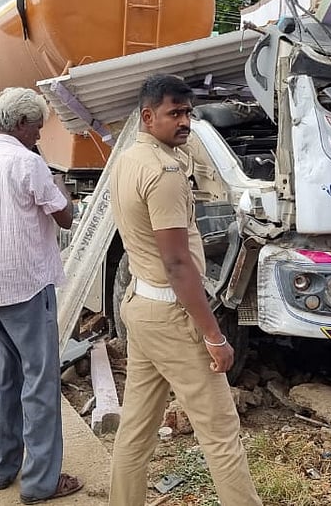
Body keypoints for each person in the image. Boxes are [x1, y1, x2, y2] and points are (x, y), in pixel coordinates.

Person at [108, 75, 261, 506]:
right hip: (172, 316)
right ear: (147, 115)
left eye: (188, 113)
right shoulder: (164, 172)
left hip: (140, 305)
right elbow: (177, 265)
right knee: (220, 434)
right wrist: (214, 335)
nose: (185, 122)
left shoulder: (129, 159)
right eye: (175, 113)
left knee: (136, 429)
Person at [0, 88, 79, 502]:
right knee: (40, 386)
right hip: (28, 285)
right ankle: (40, 481)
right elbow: (63, 217)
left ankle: (2, 466)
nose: (40, 137)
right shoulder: (29, 163)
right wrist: (66, 195)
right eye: (38, 129)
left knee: (4, 381)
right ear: (24, 124)